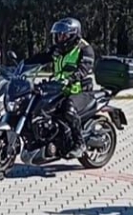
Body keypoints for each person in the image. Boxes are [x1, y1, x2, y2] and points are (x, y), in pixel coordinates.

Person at [25, 17, 95, 158]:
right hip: (60, 89)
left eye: (63, 35)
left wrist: (72, 78)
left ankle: (79, 143)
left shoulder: (85, 49)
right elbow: (42, 57)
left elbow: (84, 68)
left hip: (79, 90)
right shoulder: (58, 49)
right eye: (58, 35)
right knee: (38, 105)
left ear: (73, 35)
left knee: (68, 109)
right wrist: (24, 64)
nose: (59, 38)